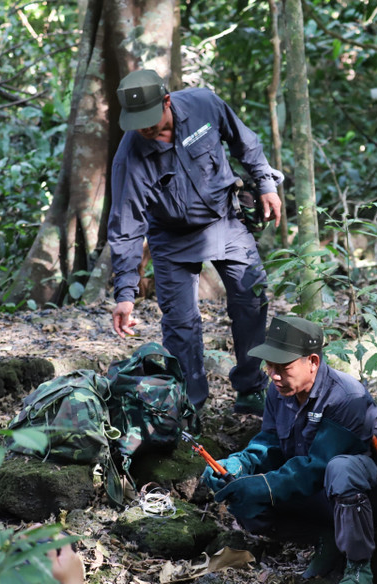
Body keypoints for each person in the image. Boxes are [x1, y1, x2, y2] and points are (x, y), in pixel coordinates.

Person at [108, 69, 284, 415]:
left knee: (251, 299)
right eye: (137, 123)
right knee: (181, 322)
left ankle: (251, 388)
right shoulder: (130, 155)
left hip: (225, 220)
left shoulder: (204, 104)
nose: (144, 129)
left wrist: (265, 184)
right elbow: (126, 223)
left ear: (167, 101)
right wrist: (125, 293)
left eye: (149, 120)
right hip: (171, 238)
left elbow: (244, 142)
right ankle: (190, 405)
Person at [201, 315, 377, 584]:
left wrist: (263, 486)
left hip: (365, 497)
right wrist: (240, 464)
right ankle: (324, 538)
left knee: (340, 469)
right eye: (270, 366)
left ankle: (358, 567)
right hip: (312, 492)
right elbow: (270, 443)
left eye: (283, 367)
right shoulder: (279, 391)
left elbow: (318, 467)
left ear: (313, 362)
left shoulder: (347, 397)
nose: (274, 375)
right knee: (243, 500)